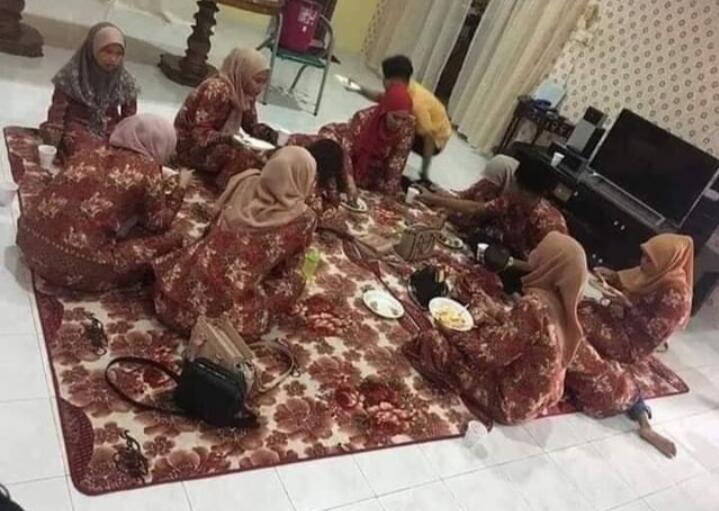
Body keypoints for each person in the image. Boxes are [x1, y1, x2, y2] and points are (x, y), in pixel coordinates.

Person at [404, 232, 677, 457]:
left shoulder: (534, 306)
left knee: (433, 342)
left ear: (551, 265)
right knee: (486, 320)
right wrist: (482, 310)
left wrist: (448, 327)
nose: (534, 257)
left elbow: (487, 355)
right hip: (541, 398)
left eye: (541, 254)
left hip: (509, 402)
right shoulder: (567, 308)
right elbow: (518, 332)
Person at [153, 146, 318, 337]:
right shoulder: (304, 218)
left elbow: (209, 230)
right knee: (297, 279)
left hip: (170, 301)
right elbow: (289, 268)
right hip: (214, 322)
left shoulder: (245, 181)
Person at [18, 114, 190, 291]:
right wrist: (181, 188)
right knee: (173, 236)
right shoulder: (148, 169)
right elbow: (157, 223)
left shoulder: (89, 150)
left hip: (28, 241)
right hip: (77, 268)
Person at [419, 156, 567, 258]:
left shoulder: (550, 225)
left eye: (517, 185)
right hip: (503, 251)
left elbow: (546, 267)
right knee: (475, 238)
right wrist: (433, 199)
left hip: (525, 270)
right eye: (515, 182)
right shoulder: (512, 199)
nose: (513, 187)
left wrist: (507, 263)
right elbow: (475, 208)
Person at [579, 234, 694, 364]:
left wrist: (628, 305)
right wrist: (612, 277)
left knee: (579, 321)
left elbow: (655, 332)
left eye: (649, 260)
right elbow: (631, 282)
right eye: (644, 256)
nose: (643, 262)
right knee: (580, 305)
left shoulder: (677, 295)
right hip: (620, 323)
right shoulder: (657, 272)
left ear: (665, 261)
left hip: (632, 344)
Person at [174, 48, 277, 186]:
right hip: (189, 146)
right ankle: (221, 190)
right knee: (243, 156)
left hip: (216, 143)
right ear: (242, 74)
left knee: (266, 157)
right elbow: (199, 134)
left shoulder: (244, 92)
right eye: (257, 81)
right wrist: (229, 139)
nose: (260, 88)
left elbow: (251, 127)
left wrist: (271, 135)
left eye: (264, 83)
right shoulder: (217, 90)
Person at [290, 84, 414, 198]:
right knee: (327, 163)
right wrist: (350, 182)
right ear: (384, 111)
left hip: (370, 166)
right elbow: (346, 150)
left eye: (403, 119)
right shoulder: (364, 118)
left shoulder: (408, 127)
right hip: (342, 146)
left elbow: (397, 162)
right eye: (395, 117)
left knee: (383, 189)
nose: (399, 123)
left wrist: (389, 194)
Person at [40, 22, 138, 161]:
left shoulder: (125, 80)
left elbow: (129, 119)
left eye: (118, 54)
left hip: (110, 127)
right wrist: (53, 140)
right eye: (107, 52)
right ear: (93, 49)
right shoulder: (71, 75)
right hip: (77, 124)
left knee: (120, 157)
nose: (113, 59)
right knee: (84, 154)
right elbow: (57, 112)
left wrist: (127, 141)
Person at [353, 55, 452, 183]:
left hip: (434, 141)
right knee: (387, 115)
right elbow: (383, 98)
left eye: (384, 78)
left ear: (391, 80)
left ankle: (389, 165)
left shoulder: (415, 104)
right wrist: (358, 88)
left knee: (398, 124)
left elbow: (429, 138)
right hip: (427, 130)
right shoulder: (405, 86)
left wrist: (424, 173)